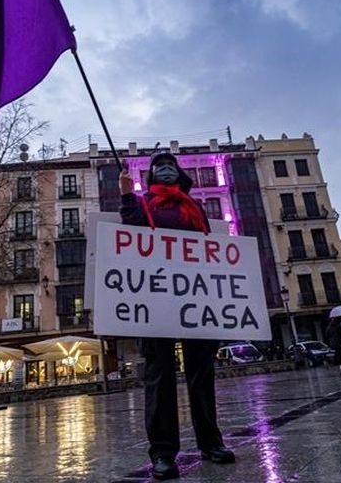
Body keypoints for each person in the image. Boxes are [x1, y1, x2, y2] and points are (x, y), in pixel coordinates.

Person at [120, 153, 235, 480]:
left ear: (179, 174)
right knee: (160, 377)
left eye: (171, 165)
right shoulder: (143, 204)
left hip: (195, 299)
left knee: (202, 374)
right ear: (152, 176)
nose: (166, 169)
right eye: (159, 166)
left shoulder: (194, 207)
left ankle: (211, 442)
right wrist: (127, 194)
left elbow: (208, 246)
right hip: (155, 300)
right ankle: (163, 453)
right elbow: (132, 235)